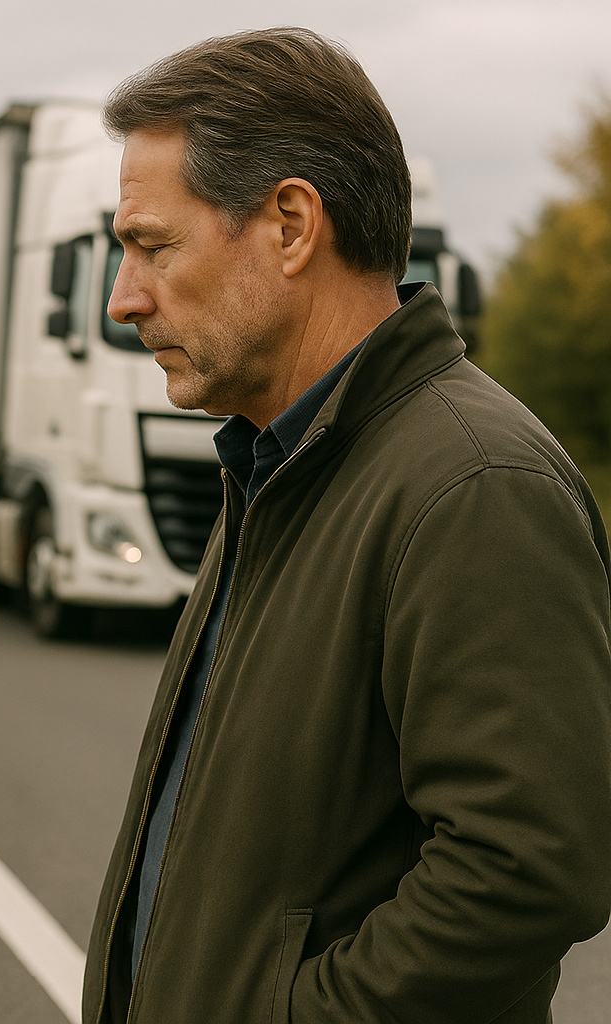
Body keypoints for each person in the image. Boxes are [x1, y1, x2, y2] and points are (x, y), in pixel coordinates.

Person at [83, 27, 611, 1024]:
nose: (124, 299)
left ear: (289, 224)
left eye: (151, 245)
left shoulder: (473, 482)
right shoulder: (281, 462)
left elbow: (530, 865)